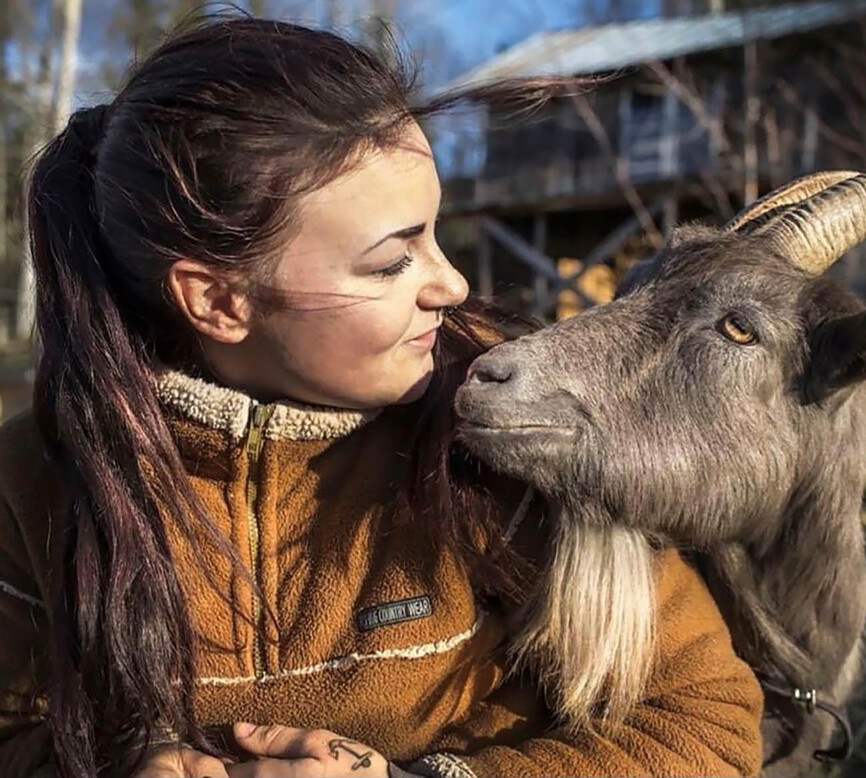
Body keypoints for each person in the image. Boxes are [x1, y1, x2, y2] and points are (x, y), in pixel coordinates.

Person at [0, 16, 763, 778]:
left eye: (435, 235)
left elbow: (706, 726)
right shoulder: (29, 487)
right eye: (393, 260)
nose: (452, 284)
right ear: (218, 302)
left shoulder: (507, 446)